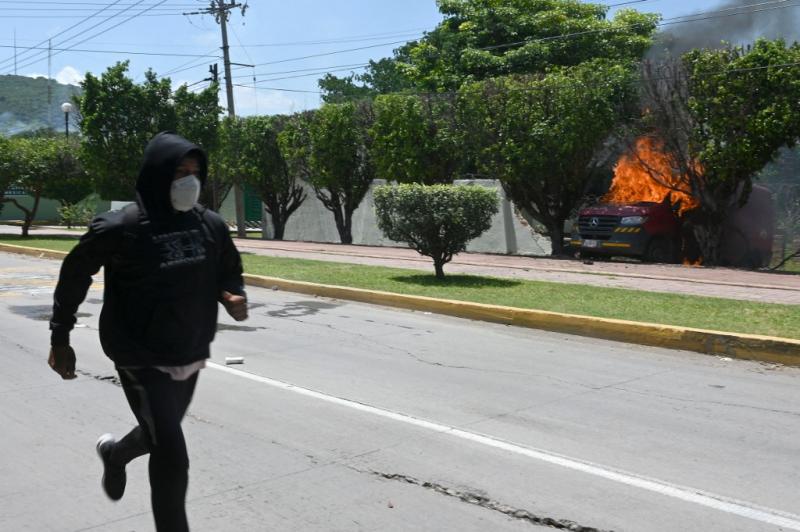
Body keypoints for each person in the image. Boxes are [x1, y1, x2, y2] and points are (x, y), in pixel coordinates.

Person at [48, 131, 248, 532]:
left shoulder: (209, 225)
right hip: (139, 354)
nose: (189, 181)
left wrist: (233, 294)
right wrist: (60, 336)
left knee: (158, 432)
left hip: (190, 349)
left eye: (196, 172)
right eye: (179, 171)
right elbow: (75, 274)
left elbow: (228, 268)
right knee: (173, 454)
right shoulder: (121, 227)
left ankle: (117, 454)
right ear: (158, 174)